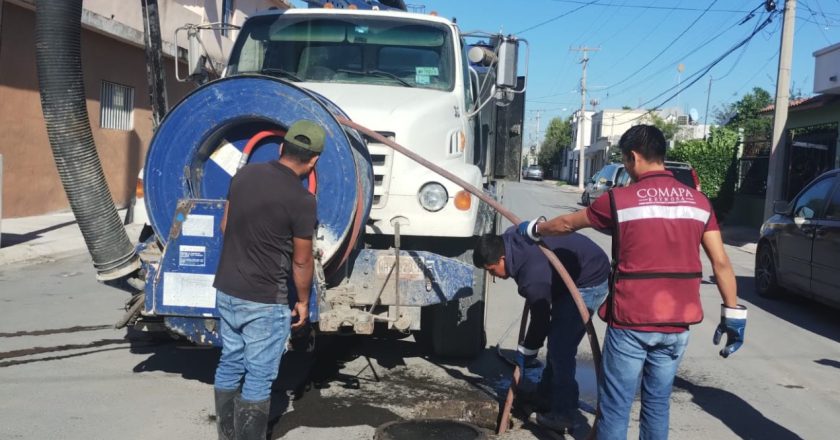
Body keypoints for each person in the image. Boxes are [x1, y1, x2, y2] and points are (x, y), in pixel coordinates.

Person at [517, 125, 747, 440]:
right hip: (677, 325)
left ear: (634, 157)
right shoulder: (699, 203)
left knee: (615, 409)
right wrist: (732, 313)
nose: (626, 168)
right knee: (656, 404)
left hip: (631, 323)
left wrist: (535, 229)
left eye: (625, 161)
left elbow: (570, 223)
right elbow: (721, 262)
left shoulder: (619, 200)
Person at [212, 120, 324, 440]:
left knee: (231, 361)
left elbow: (225, 226)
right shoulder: (303, 201)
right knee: (259, 376)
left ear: (281, 148)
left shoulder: (244, 175)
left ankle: (228, 436)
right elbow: (301, 260)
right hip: (265, 299)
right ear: (313, 160)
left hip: (228, 289)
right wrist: (302, 301)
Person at [473, 227, 610, 432]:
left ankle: (563, 413)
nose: (493, 274)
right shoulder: (511, 238)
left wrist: (527, 352)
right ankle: (546, 395)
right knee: (557, 342)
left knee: (561, 346)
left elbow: (540, 321)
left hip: (589, 278)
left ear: (502, 258)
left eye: (492, 269)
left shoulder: (533, 277)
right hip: (570, 271)